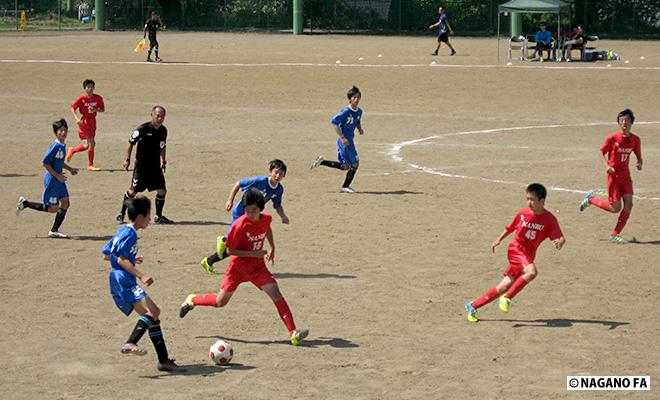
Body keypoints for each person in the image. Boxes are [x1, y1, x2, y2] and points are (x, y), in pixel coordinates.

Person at [179, 189, 309, 346]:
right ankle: (192, 300)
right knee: (220, 302)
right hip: (238, 268)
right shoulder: (239, 225)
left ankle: (293, 333)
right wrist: (253, 253)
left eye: (253, 210)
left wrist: (272, 246)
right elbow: (229, 251)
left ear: (261, 208)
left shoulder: (266, 218)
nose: (250, 213)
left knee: (275, 292)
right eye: (247, 210)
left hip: (257, 267)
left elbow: (266, 228)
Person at [102, 196, 181, 372]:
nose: (149, 219)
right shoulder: (130, 234)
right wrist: (141, 275)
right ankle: (131, 342)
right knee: (154, 311)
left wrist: (132, 257)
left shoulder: (122, 230)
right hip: (124, 279)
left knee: (152, 316)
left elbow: (108, 254)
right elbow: (121, 259)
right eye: (148, 215)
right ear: (139, 216)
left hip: (117, 279)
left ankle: (164, 360)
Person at [465, 183, 565, 322]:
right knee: (531, 272)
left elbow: (559, 237)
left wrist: (560, 242)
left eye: (532, 199)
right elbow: (510, 228)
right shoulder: (522, 214)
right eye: (527, 199)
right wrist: (498, 240)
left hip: (527, 256)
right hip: (516, 250)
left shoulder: (550, 219)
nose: (529, 203)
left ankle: (472, 306)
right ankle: (506, 298)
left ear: (541, 201)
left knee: (504, 286)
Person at [200, 159, 290, 275]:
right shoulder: (259, 181)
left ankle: (209, 261)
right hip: (240, 213)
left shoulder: (279, 189)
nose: (278, 176)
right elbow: (239, 183)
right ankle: (224, 241)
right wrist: (230, 200)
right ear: (270, 172)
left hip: (253, 216)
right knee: (237, 245)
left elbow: (277, 205)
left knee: (240, 246)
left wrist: (283, 216)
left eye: (281, 174)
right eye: (276, 172)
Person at [579, 109, 642, 244]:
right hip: (613, 176)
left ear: (631, 122)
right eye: (621, 120)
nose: (624, 122)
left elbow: (638, 155)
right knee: (615, 208)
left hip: (626, 176)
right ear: (619, 123)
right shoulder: (613, 138)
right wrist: (607, 166)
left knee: (629, 205)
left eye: (627, 120)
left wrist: (639, 162)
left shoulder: (635, 140)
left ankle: (615, 234)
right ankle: (591, 200)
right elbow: (601, 152)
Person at [16, 119, 79, 238]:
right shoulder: (55, 146)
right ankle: (25, 203)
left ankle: (54, 230)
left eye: (65, 130)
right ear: (56, 133)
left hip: (59, 180)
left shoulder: (62, 145)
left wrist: (70, 169)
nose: (63, 133)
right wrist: (58, 175)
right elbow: (45, 163)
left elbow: (58, 162)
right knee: (53, 209)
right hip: (53, 181)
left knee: (65, 202)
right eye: (60, 131)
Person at [116, 106, 173, 224]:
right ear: (151, 115)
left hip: (155, 166)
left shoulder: (163, 131)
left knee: (162, 190)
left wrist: (163, 161)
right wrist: (127, 159)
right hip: (141, 167)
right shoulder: (142, 129)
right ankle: (121, 213)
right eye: (158, 115)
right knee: (133, 192)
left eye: (162, 116)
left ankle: (158, 216)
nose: (160, 118)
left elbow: (163, 146)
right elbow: (131, 143)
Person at [310, 86, 364, 193]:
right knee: (355, 164)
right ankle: (345, 187)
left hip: (349, 140)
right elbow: (334, 122)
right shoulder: (345, 111)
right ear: (350, 99)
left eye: (358, 97)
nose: (357, 99)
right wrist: (343, 137)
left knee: (345, 167)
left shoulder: (359, 111)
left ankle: (322, 162)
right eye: (354, 97)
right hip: (345, 142)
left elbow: (357, 120)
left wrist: (360, 129)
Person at [68, 79, 105, 171]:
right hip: (84, 122)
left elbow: (102, 109)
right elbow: (73, 108)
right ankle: (90, 165)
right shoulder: (81, 99)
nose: (90, 89)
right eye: (88, 87)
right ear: (85, 88)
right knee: (92, 143)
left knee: (87, 145)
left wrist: (95, 110)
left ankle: (72, 150)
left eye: (92, 87)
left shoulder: (98, 98)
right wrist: (76, 119)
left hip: (93, 122)